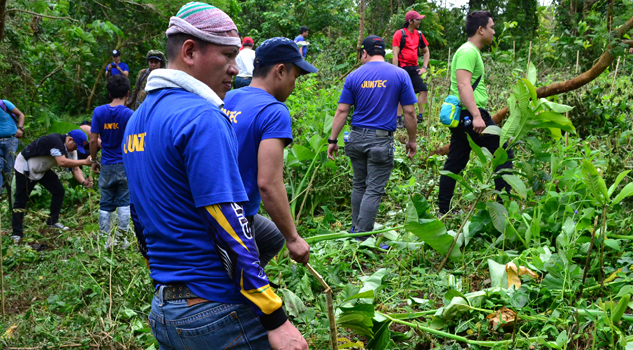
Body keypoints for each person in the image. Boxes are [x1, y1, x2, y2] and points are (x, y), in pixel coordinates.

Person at [122, 3, 308, 350]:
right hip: (213, 313)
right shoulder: (203, 117)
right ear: (190, 51)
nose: (235, 68)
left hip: (164, 310)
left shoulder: (137, 120)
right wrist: (274, 316)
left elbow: (138, 216)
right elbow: (228, 221)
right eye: (227, 55)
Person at [222, 37, 317, 267]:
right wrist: (294, 239)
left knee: (274, 237)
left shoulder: (230, 96)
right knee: (247, 285)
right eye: (295, 77)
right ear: (281, 71)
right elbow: (268, 183)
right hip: (238, 216)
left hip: (215, 207)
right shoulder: (274, 111)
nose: (295, 85)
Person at [327, 35, 417, 241]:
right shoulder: (400, 74)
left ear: (364, 53)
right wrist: (412, 140)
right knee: (374, 189)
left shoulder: (354, 76)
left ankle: (356, 229)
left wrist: (333, 141)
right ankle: (363, 237)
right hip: (380, 140)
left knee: (359, 184)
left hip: (356, 137)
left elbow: (342, 111)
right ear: (383, 52)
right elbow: (410, 113)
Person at [438, 11, 513, 216]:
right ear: (481, 29)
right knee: (504, 154)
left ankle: (443, 211)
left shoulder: (469, 51)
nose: (494, 31)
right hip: (472, 115)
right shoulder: (468, 52)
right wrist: (477, 116)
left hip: (464, 116)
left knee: (455, 163)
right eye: (491, 27)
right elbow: (463, 85)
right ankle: (502, 209)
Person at [11, 130, 94, 243]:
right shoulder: (55, 141)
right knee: (20, 201)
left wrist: (84, 182)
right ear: (70, 140)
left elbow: (76, 169)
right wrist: (84, 161)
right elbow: (62, 162)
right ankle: (16, 234)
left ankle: (52, 222)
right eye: (75, 146)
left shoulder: (71, 149)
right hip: (25, 167)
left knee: (59, 191)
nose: (75, 149)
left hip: (42, 169)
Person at [90, 75, 135, 249]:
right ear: (128, 93)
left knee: (106, 201)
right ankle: (121, 240)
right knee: (124, 201)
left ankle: (104, 240)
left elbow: (93, 140)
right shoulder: (130, 114)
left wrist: (94, 160)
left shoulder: (98, 112)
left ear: (109, 93)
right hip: (125, 164)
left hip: (107, 164)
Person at [392, 10, 430, 128]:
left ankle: (420, 117)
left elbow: (426, 51)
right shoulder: (399, 34)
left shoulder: (419, 35)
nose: (419, 21)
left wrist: (424, 67)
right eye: (417, 19)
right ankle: (398, 119)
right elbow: (395, 53)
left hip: (415, 68)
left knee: (423, 89)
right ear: (410, 21)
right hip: (402, 67)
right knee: (399, 92)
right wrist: (395, 70)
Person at [0, 99, 25, 190]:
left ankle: (9, 189)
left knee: (8, 166)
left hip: (10, 140)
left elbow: (20, 114)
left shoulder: (4, 104)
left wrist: (20, 128)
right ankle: (1, 190)